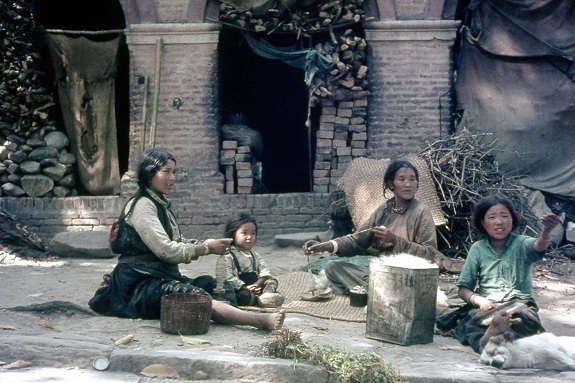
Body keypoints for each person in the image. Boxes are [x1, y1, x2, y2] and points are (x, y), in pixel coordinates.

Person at [88, 149, 285, 331]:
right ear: (149, 174)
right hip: (138, 283)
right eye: (166, 172)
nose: (172, 178)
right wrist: (206, 248)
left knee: (215, 284)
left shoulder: (160, 204)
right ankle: (259, 321)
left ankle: (234, 309)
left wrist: (205, 243)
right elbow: (167, 250)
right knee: (197, 298)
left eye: (174, 172)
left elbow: (177, 241)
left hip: (161, 276)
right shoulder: (142, 206)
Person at [436, 194, 561, 353]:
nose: (499, 222)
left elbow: (539, 245)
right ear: (483, 222)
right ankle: (487, 341)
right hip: (488, 306)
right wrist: (480, 300)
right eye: (492, 217)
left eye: (504, 216)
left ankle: (501, 337)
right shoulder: (478, 249)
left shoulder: (522, 243)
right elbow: (463, 289)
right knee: (469, 324)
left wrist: (546, 231)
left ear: (512, 220)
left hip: (518, 305)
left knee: (524, 322)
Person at [302, 158, 440, 295]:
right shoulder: (385, 209)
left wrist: (395, 240)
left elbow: (429, 253)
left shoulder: (422, 211)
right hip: (380, 270)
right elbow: (358, 239)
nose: (408, 184)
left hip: (407, 273)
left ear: (417, 184)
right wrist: (325, 245)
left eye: (412, 179)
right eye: (402, 179)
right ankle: (376, 290)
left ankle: (375, 291)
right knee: (332, 267)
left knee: (384, 281)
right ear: (391, 184)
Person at [222, 212, 285, 308]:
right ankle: (259, 300)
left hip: (256, 286)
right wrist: (245, 288)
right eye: (244, 233)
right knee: (239, 295)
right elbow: (228, 277)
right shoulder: (228, 255)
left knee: (272, 281)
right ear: (232, 234)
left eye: (253, 233)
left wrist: (257, 284)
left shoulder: (255, 255)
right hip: (241, 289)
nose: (249, 237)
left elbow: (264, 271)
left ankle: (266, 295)